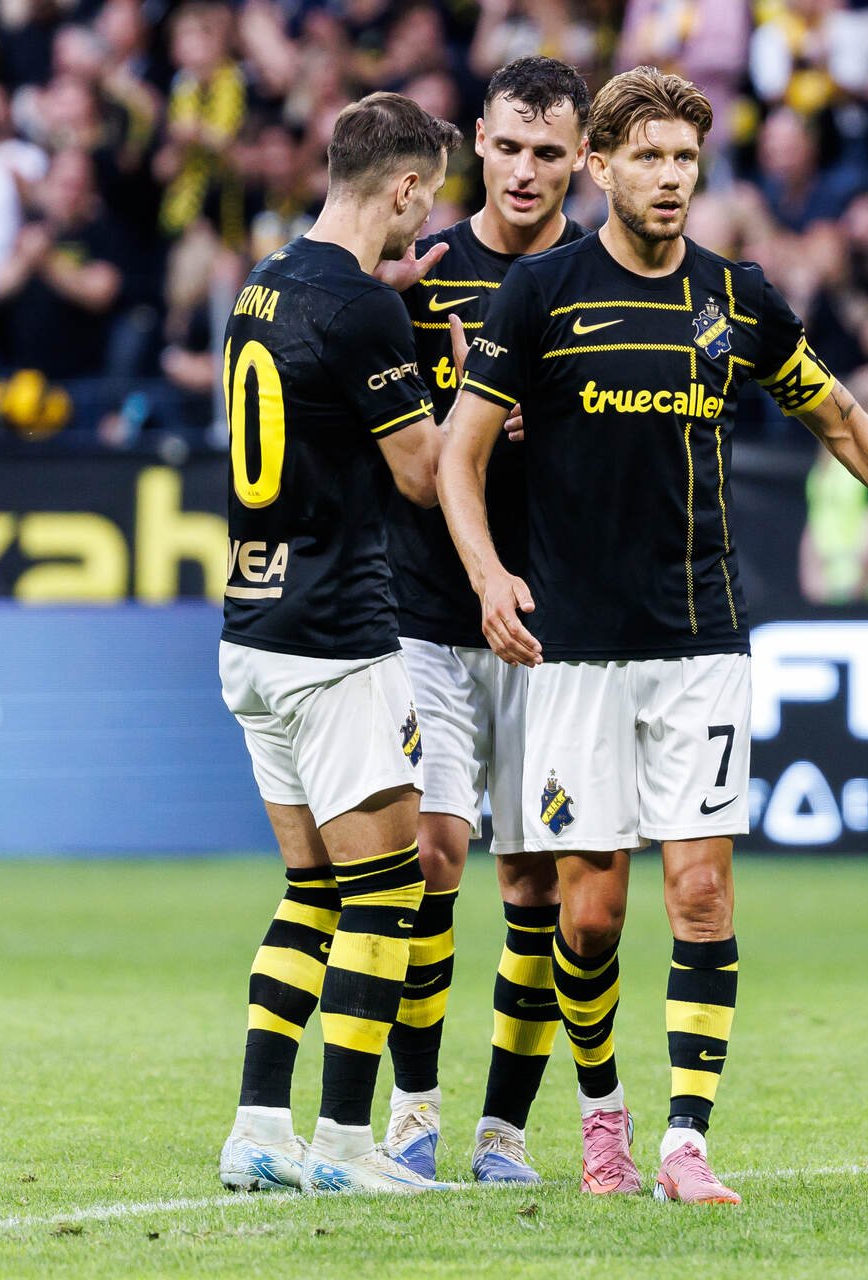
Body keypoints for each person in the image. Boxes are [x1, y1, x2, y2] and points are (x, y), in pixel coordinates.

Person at [439, 65, 868, 1205]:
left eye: (684, 159)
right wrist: (487, 574)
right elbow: (462, 454)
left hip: (704, 638)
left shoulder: (737, 299)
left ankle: (684, 1139)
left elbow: (844, 420)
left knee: (701, 894)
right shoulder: (540, 294)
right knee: (592, 911)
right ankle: (601, 1113)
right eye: (646, 158)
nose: (669, 178)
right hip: (571, 649)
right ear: (600, 167)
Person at [215, 91, 459, 1196]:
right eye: (427, 197)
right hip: (335, 635)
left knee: (309, 890)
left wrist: (382, 306)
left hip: (251, 629)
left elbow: (319, 365)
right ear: (405, 187)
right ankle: (349, 1146)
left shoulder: (262, 285)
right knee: (387, 893)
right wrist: (465, 387)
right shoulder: (366, 313)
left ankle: (260, 1128)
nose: (426, 219)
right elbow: (419, 475)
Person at [371, 55, 593, 1189]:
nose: (523, 170)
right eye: (507, 146)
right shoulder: (421, 272)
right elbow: (371, 417)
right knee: (432, 853)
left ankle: (504, 1127)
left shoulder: (603, 279)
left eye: (548, 152)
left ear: (580, 160)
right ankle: (413, 1105)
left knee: (537, 883)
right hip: (426, 600)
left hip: (553, 618)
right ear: (480, 144)